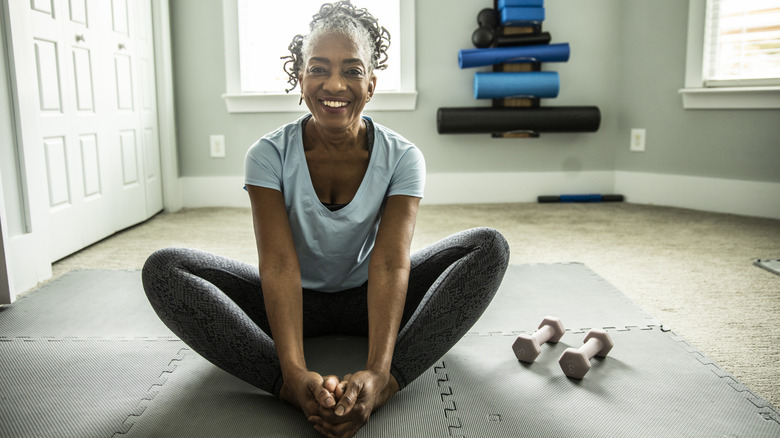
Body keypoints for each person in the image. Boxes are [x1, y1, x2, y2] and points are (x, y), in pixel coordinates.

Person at [142, 2, 509, 437]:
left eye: (352, 71)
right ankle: (286, 388)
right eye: (319, 68)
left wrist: (376, 371)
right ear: (300, 79)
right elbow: (278, 264)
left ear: (371, 85)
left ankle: (388, 386)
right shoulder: (267, 156)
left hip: (369, 297)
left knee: (489, 247)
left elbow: (391, 263)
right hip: (290, 300)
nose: (335, 84)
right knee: (164, 270)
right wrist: (295, 372)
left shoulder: (403, 158)